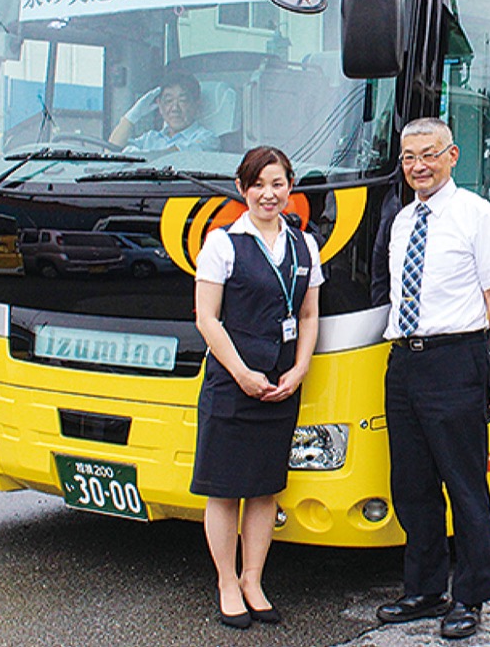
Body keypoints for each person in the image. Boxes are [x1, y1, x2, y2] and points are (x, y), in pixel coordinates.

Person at [376, 117, 490, 640]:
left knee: (464, 485)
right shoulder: (400, 220)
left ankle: (472, 595)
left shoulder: (475, 215)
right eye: (409, 157)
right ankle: (425, 589)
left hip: (456, 361)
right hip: (405, 363)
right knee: (412, 485)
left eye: (429, 154)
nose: (418, 165)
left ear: (453, 155)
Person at [191, 145, 322, 629]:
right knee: (225, 490)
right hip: (232, 383)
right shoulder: (223, 243)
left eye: (278, 184)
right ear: (242, 189)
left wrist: (301, 367)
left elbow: (308, 314)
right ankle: (227, 581)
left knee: (265, 489)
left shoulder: (306, 245)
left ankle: (253, 579)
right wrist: (243, 373)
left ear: (291, 188)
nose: (269, 194)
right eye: (258, 184)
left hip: (281, 383)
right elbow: (206, 319)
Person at [109, 69, 220, 154]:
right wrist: (132, 117)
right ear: (160, 106)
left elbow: (174, 156)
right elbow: (111, 152)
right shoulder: (150, 138)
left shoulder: (208, 139)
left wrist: (140, 157)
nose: (175, 108)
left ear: (196, 104)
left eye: (183, 100)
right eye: (168, 101)